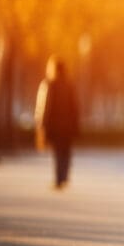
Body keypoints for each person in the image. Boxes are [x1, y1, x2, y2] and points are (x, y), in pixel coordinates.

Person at [34, 56, 80, 189]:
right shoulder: (69, 85)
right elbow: (75, 107)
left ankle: (59, 178)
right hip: (68, 126)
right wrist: (75, 124)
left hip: (55, 125)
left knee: (58, 151)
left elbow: (45, 106)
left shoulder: (49, 84)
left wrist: (42, 124)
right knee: (66, 151)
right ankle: (64, 176)